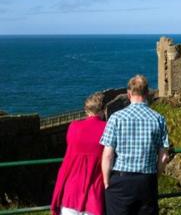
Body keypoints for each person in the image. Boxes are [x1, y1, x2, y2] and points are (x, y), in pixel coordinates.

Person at [100, 75, 170, 215]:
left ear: (129, 94)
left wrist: (106, 182)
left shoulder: (116, 118)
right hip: (146, 181)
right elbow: (164, 157)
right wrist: (155, 177)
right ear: (147, 93)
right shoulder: (158, 119)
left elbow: (108, 155)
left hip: (121, 180)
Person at [51, 92, 107, 215]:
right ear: (104, 110)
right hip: (94, 195)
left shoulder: (74, 127)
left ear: (86, 110)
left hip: (71, 192)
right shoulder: (108, 129)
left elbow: (69, 157)